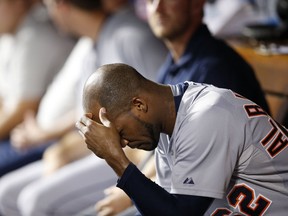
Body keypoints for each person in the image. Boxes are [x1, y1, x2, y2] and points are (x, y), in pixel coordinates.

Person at [0, 0, 167, 215]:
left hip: (141, 158)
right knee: (5, 194)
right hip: (102, 149)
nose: (48, 13)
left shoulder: (129, 37)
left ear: (62, 6)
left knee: (35, 201)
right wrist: (63, 149)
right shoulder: (93, 45)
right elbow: (91, 121)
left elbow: (162, 118)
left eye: (49, 5)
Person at [76, 63, 288, 216]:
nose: (120, 143)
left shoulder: (207, 115)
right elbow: (162, 207)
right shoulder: (168, 125)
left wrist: (116, 159)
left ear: (139, 105)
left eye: (120, 132)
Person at [0, 0, 75, 176]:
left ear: (17, 3)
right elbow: (4, 99)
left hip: (49, 138)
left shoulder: (35, 34)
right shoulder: (9, 36)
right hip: (28, 135)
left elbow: (25, 107)